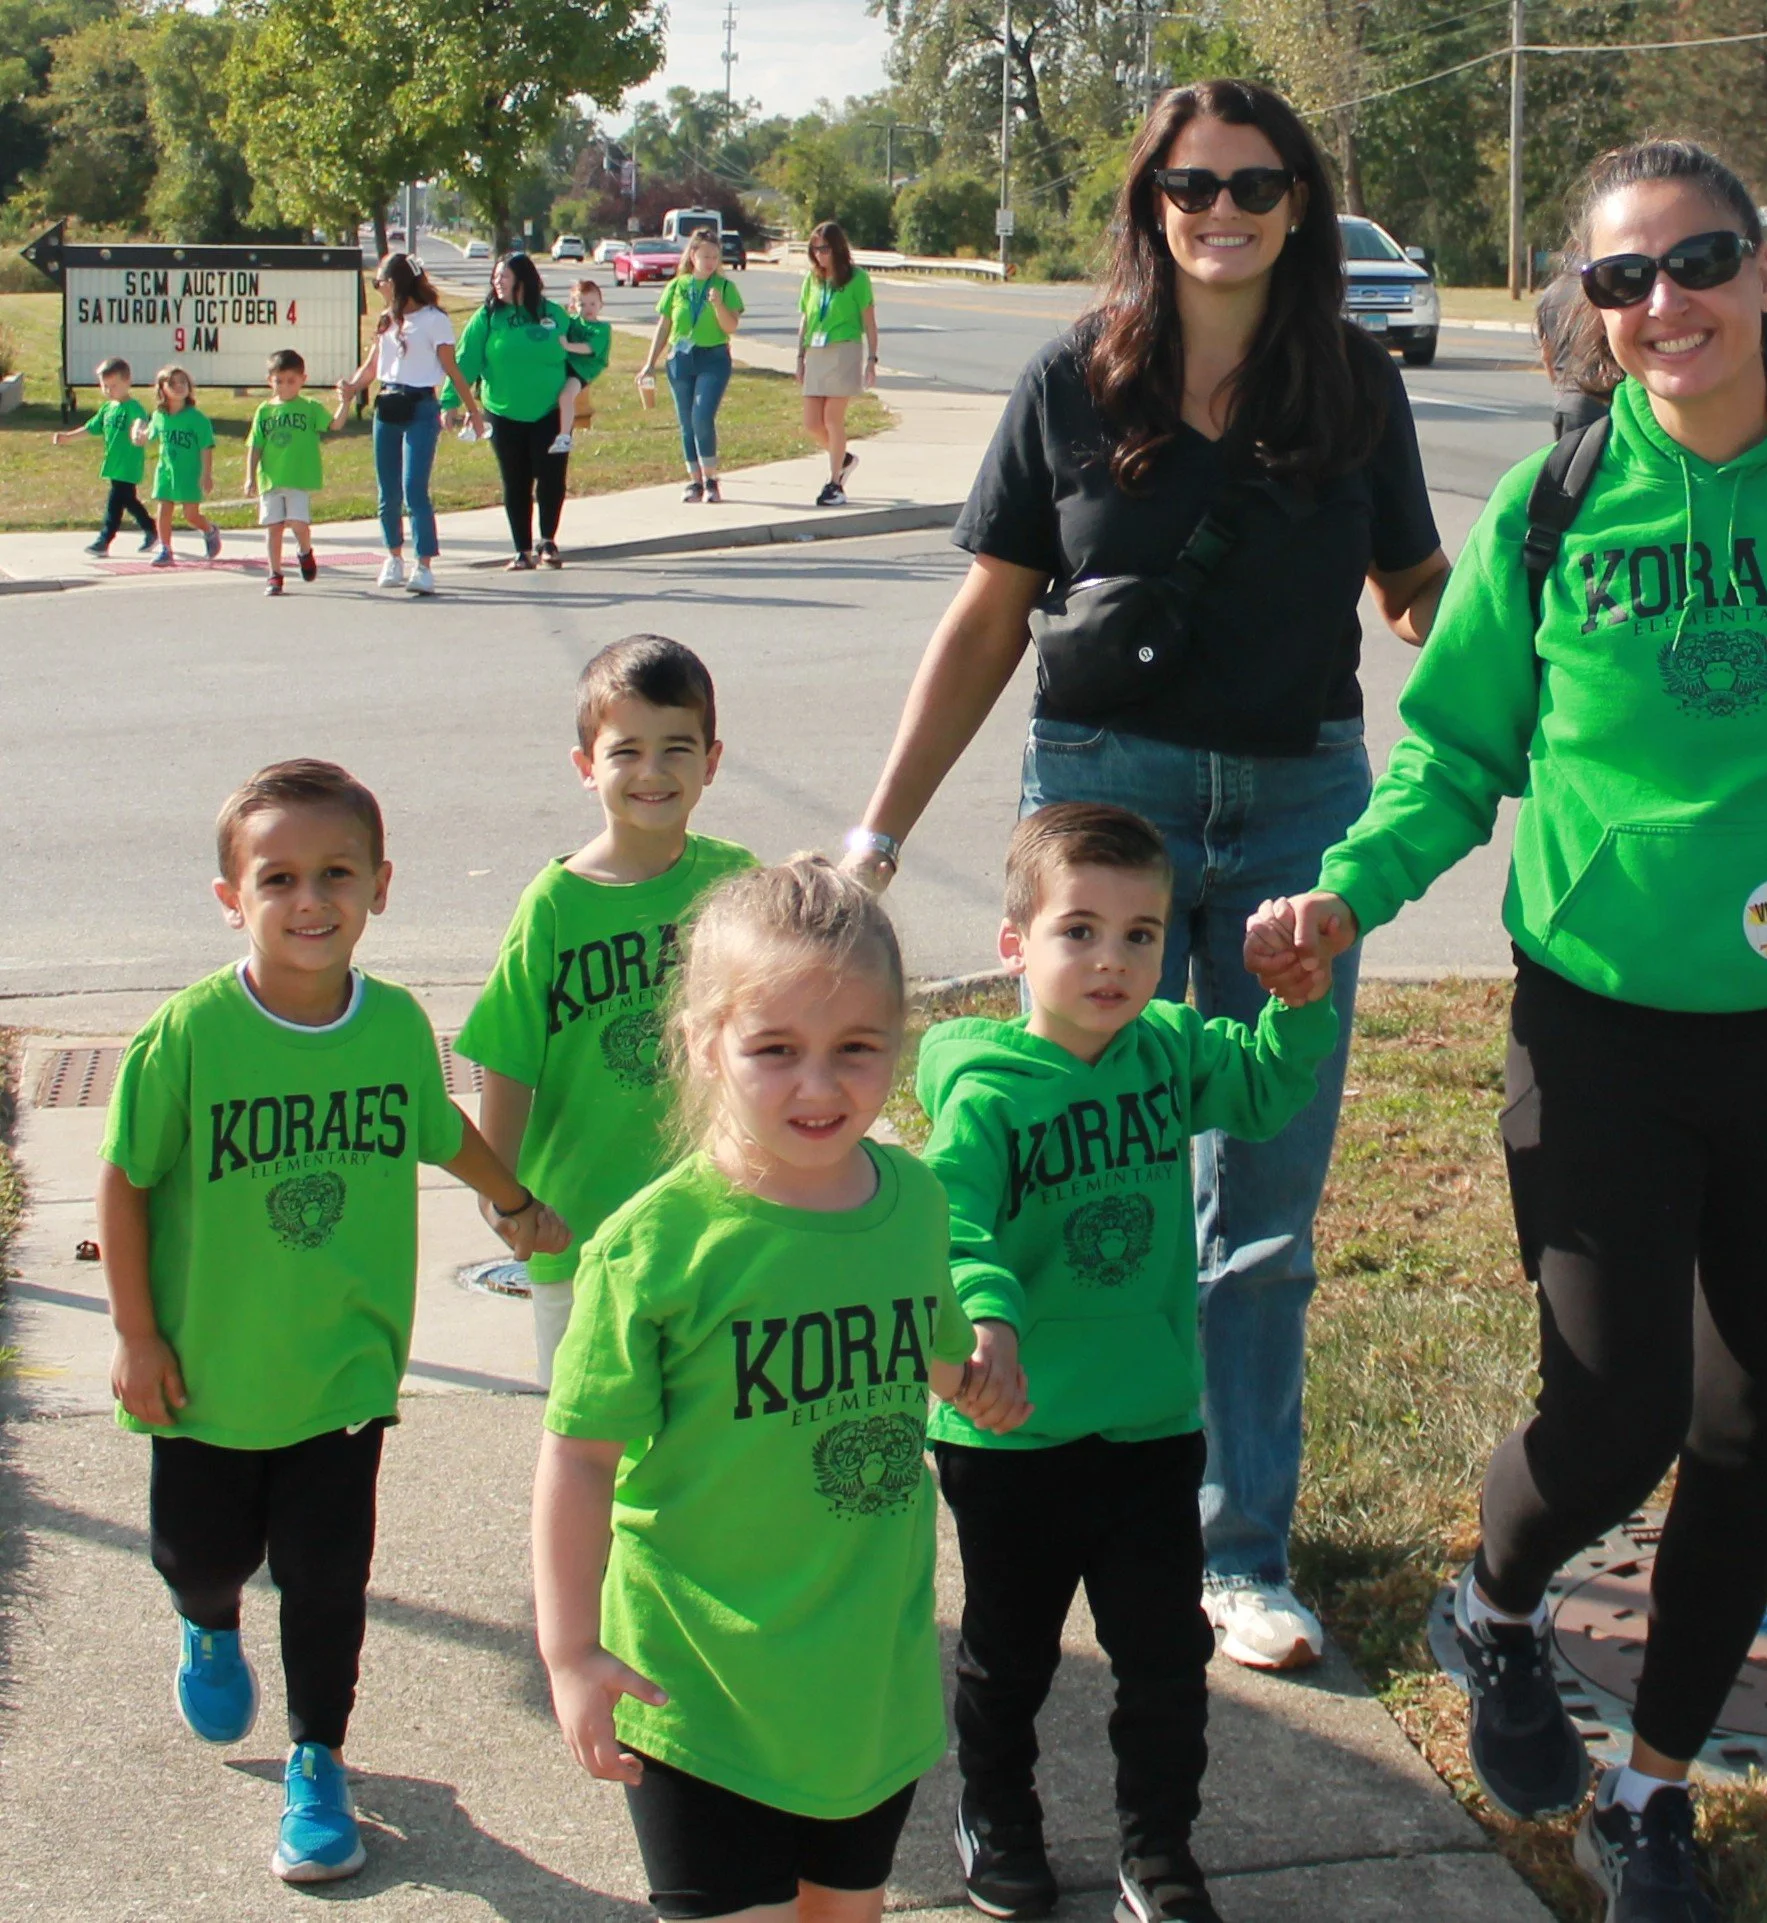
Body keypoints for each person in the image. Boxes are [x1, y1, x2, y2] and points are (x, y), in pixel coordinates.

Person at [1258, 138, 1767, 1923]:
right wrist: (1348, 892)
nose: (1662, 306)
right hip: (1600, 1031)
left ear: (1763, 267)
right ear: (1585, 306)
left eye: (1695, 261)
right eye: (1619, 280)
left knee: (1745, 1437)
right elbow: (1453, 750)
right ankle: (1490, 1601)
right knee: (1613, 1406)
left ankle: (1652, 1790)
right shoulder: (1553, 508)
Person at [843, 77, 1449, 1674]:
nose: (1220, 208)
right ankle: (1051, 1470)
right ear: (1150, 203)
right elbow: (986, 619)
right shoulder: (1070, 377)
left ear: (1299, 201)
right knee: (1064, 1164)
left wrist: (1535, 658)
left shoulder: (1356, 389)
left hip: (1297, 806)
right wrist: (878, 831)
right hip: (1101, 808)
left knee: (1257, 1199)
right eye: (1189, 185)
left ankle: (1237, 1545)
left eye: (1252, 181)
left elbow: (1416, 595)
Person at [95, 758, 566, 1886]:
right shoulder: (190, 1037)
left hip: (344, 1372)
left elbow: (434, 1125)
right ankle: (206, 1624)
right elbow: (124, 1182)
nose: (311, 901)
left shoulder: (394, 1024)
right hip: (210, 1373)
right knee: (200, 1557)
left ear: (380, 885)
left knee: (326, 1580)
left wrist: (510, 1200)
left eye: (336, 874)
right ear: (233, 900)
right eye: (279, 878)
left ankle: (319, 1763)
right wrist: (137, 1335)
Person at [532, 858, 1007, 1923]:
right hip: (693, 1681)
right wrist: (570, 1651)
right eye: (775, 1051)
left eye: (855, 1050)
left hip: (861, 1685)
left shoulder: (914, 1204)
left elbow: (927, 1347)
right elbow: (577, 1455)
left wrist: (974, 1378)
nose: (819, 1086)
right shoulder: (653, 1249)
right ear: (705, 1044)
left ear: (898, 1043)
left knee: (846, 1913)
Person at [921, 804, 1334, 1923]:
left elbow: (1258, 1086)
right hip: (1011, 1435)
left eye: (1141, 935)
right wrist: (988, 1326)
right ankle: (994, 1814)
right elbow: (949, 1237)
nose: (1112, 961)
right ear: (1015, 944)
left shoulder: (1164, 1052)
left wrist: (1297, 1011)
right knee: (1008, 1658)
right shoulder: (983, 1091)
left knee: (1161, 1663)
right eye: (1079, 932)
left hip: (1150, 1427)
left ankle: (1156, 1851)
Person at [455, 636, 756, 1386]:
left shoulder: (736, 881)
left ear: (712, 762)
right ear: (586, 767)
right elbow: (507, 1057)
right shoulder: (554, 905)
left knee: (704, 1430)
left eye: (676, 748)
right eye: (626, 751)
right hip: (580, 1228)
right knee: (588, 1435)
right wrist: (504, 1195)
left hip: (714, 1216)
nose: (652, 772)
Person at [345, 252, 483, 596]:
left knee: (414, 490)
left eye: (381, 281)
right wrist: (351, 387)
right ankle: (393, 556)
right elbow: (374, 365)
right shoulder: (386, 320)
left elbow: (452, 369)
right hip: (388, 405)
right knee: (386, 490)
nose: (377, 286)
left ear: (397, 283)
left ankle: (424, 565)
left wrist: (473, 410)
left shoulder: (434, 320)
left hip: (421, 406)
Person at [458, 252, 590, 570]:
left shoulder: (554, 314)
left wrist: (578, 380)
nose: (497, 283)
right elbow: (466, 359)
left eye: (504, 277)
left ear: (522, 280)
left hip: (551, 410)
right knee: (515, 479)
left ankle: (547, 541)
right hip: (502, 412)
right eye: (495, 277)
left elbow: (589, 348)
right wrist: (453, 402)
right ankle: (521, 549)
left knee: (551, 476)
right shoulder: (488, 316)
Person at [635, 232, 744, 504]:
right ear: (692, 255)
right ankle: (694, 480)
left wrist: (718, 304)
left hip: (714, 357)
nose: (710, 262)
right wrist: (649, 363)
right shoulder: (677, 286)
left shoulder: (725, 287)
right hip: (681, 359)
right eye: (705, 256)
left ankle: (711, 479)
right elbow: (664, 326)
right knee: (686, 422)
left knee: (702, 416)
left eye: (715, 257)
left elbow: (730, 326)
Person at [245, 349, 348, 597]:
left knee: (298, 524)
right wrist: (250, 475)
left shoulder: (310, 408)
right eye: (279, 381)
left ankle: (304, 551)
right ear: (270, 380)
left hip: (298, 478)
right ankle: (275, 574)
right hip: (271, 478)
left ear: (303, 379)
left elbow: (334, 424)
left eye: (291, 380)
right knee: (274, 527)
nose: (285, 386)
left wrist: (346, 401)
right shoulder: (264, 411)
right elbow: (255, 445)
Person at [795, 221, 877, 507]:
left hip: (845, 349)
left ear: (838, 248)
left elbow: (869, 321)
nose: (820, 255)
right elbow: (804, 318)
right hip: (815, 352)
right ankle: (843, 459)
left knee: (832, 418)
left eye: (825, 249)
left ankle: (834, 483)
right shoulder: (812, 280)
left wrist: (872, 359)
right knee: (811, 422)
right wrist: (799, 357)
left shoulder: (857, 278)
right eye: (815, 249)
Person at [53, 355, 156, 555]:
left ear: (127, 381)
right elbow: (91, 428)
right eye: (105, 386)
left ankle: (104, 540)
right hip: (113, 464)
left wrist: (138, 431)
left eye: (113, 386)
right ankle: (151, 529)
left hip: (128, 464)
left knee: (115, 502)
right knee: (128, 501)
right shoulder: (107, 409)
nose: (109, 391)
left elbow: (140, 422)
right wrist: (68, 437)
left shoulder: (133, 407)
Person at [132, 365, 221, 567]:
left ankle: (209, 530)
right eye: (172, 383)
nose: (179, 387)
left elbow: (206, 447)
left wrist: (206, 475)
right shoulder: (159, 416)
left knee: (191, 515)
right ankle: (165, 548)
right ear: (162, 389)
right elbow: (146, 436)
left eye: (183, 382)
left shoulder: (197, 419)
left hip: (190, 473)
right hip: (166, 472)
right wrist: (138, 431)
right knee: (163, 510)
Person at [1533, 272, 1610, 438]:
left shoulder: (1549, 294)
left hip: (1567, 402)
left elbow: (1546, 354)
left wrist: (1561, 390)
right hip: (1600, 402)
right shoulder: (1600, 287)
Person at [550, 278, 614, 455]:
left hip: (582, 371)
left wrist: (568, 346)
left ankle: (564, 437)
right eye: (582, 304)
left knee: (566, 396)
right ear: (573, 305)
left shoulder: (602, 329)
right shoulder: (571, 321)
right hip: (565, 364)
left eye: (593, 303)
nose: (588, 308)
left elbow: (588, 348)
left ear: (601, 304)